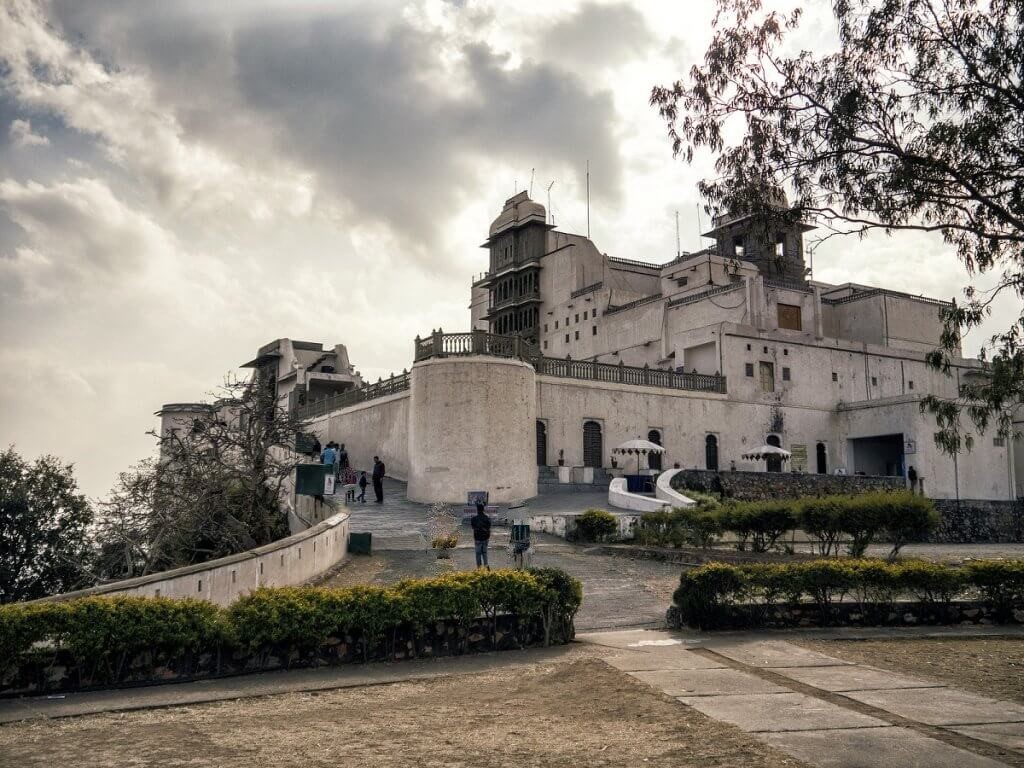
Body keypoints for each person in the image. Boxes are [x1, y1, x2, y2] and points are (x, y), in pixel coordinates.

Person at [470, 501, 491, 570]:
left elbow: (473, 527)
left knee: (478, 553)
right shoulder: (487, 518)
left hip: (477, 538)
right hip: (485, 538)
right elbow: (489, 528)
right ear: (483, 509)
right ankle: (486, 565)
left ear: (477, 510)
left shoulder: (474, 519)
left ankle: (479, 567)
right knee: (484, 552)